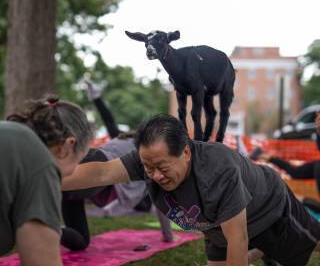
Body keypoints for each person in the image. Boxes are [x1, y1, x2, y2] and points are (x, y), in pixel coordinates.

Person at [62, 113, 320, 266]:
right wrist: (45, 178)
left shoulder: (218, 171)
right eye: (148, 168)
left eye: (162, 167)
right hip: (215, 224)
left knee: (313, 245)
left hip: (267, 209)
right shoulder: (150, 158)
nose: (155, 175)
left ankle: (266, 245)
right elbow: (101, 172)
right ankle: (263, 248)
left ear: (185, 152)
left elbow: (237, 238)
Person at [61, 81, 174, 251]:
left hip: (93, 169)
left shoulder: (129, 143)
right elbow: (160, 202)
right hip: (97, 166)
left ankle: (38, 227)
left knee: (80, 243)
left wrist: (97, 97)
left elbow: (109, 120)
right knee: (51, 184)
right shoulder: (145, 151)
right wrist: (169, 236)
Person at [1, 96, 93, 266]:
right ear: (67, 146)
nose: (74, 171)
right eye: (79, 161)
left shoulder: (12, 137)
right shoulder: (41, 162)